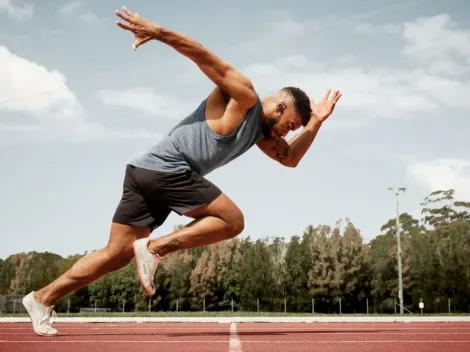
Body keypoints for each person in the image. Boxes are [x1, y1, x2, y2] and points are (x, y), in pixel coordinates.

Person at [22, 7, 342, 336]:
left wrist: (315, 122)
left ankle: (41, 298)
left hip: (142, 170)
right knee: (232, 221)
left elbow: (289, 158)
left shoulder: (261, 135)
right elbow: (204, 56)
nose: (284, 135)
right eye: (288, 125)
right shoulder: (243, 95)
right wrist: (158, 32)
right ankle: (155, 248)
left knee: (115, 254)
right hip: (166, 168)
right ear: (280, 107)